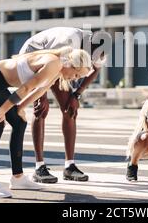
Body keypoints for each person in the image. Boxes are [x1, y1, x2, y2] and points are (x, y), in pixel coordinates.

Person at [0, 46, 92, 198]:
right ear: (71, 64)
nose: (74, 78)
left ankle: (18, 178)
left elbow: (39, 91)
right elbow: (27, 87)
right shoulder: (54, 63)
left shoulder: (58, 69)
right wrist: (4, 110)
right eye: (76, 74)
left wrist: (19, 108)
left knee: (19, 122)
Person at [18, 27, 107, 183]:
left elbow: (94, 70)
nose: (94, 61)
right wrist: (41, 95)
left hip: (60, 63)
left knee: (70, 109)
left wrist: (76, 95)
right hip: (35, 56)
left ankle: (69, 167)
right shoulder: (68, 40)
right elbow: (47, 64)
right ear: (86, 49)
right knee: (41, 109)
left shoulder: (99, 47)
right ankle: (39, 167)